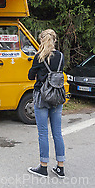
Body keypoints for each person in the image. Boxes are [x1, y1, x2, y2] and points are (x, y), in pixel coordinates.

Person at [27, 29, 66, 178]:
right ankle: (60, 167)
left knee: (43, 133)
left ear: (41, 40)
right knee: (57, 133)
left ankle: (43, 167)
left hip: (42, 96)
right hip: (57, 96)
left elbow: (30, 76)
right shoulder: (61, 56)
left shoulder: (39, 57)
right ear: (55, 40)